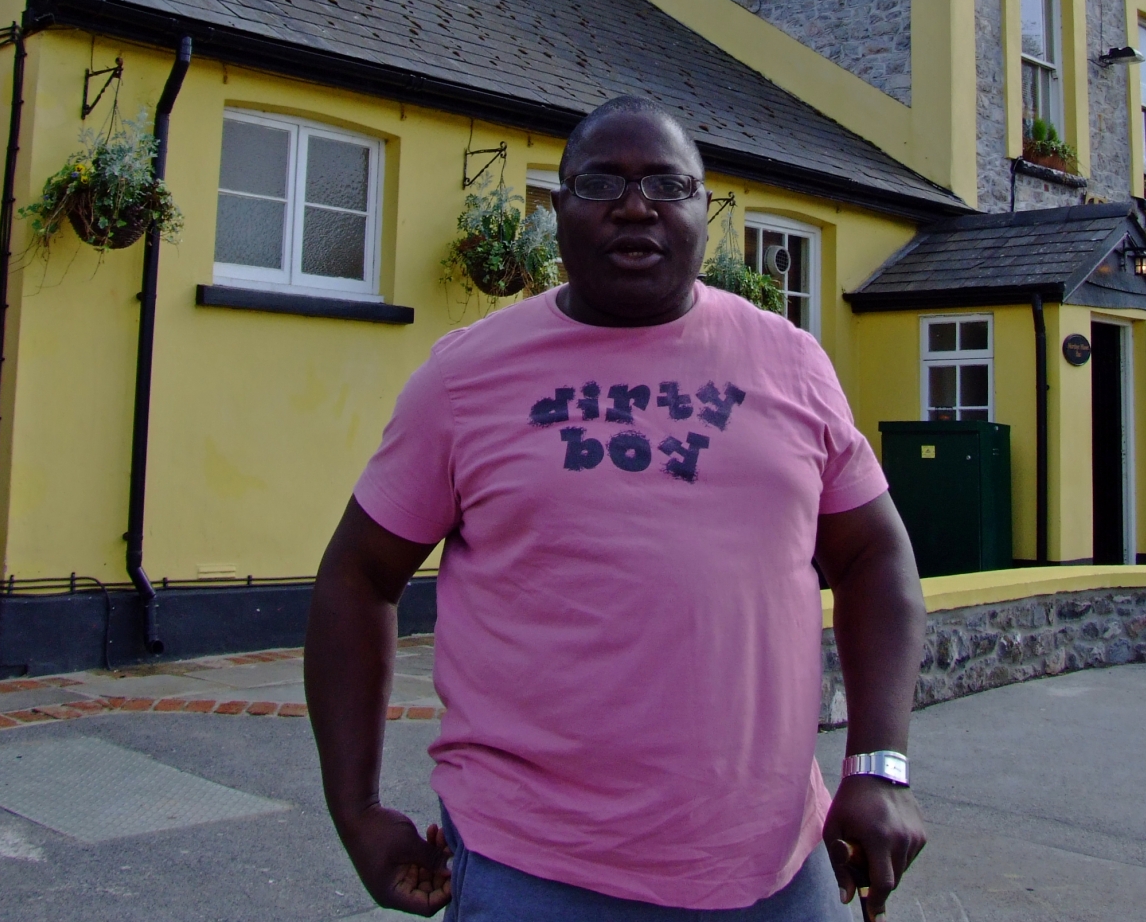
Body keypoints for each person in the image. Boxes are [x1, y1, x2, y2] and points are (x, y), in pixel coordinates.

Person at [305, 96, 927, 920]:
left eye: (668, 183)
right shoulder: (464, 379)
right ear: (557, 209)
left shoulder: (791, 362)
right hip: (535, 871)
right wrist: (358, 811)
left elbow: (874, 555)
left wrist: (876, 767)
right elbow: (357, 578)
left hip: (776, 868)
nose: (637, 204)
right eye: (602, 181)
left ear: (708, 211)